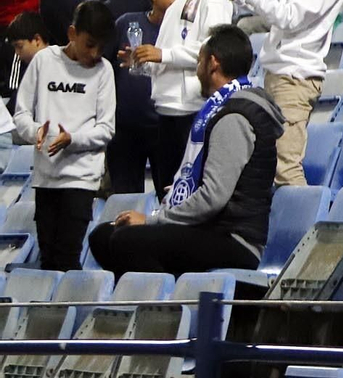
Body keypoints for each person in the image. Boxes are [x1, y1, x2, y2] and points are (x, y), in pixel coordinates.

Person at [88, 25, 285, 277]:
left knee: (127, 241)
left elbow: (213, 198)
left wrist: (152, 220)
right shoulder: (222, 108)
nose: (197, 69)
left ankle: (164, 308)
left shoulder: (233, 116)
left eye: (199, 61)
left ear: (213, 64)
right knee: (103, 236)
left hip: (233, 238)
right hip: (210, 228)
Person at [212, 0, 343, 187]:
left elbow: (289, 18)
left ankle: (302, 231)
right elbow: (271, 3)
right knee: (272, 164)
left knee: (286, 166)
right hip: (278, 73)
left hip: (296, 77)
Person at [128, 0, 233, 199]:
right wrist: (144, 62)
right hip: (167, 111)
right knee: (167, 194)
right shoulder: (180, 0)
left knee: (187, 194)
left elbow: (214, 50)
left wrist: (162, 55)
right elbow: (168, 53)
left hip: (192, 111)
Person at [11, 1, 115, 271]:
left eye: (101, 47)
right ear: (72, 33)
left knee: (68, 259)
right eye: (89, 44)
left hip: (81, 179)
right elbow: (21, 115)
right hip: (46, 178)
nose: (95, 53)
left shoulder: (104, 71)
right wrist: (36, 132)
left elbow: (106, 129)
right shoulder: (44, 61)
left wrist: (73, 140)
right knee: (48, 261)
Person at [108, 0, 180, 194]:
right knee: (123, 198)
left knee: (169, 197)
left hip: (166, 127)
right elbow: (105, 68)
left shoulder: (186, 32)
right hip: (124, 130)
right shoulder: (126, 22)